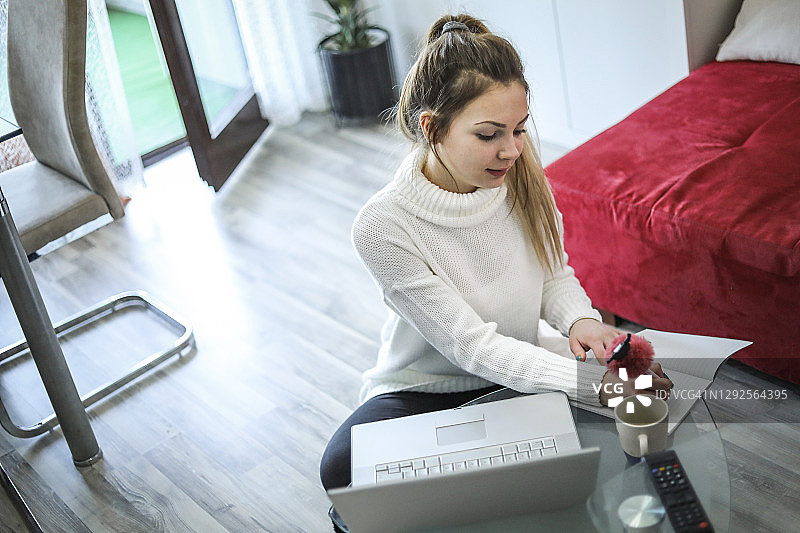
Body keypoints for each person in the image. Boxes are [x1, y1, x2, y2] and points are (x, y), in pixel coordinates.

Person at [319, 12, 671, 530]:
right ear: (431, 127)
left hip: (521, 364)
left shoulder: (520, 173)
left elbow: (554, 274)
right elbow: (472, 348)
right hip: (428, 390)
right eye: (489, 134)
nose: (511, 149)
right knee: (341, 467)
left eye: (519, 129)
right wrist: (587, 385)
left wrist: (580, 321)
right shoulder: (382, 226)